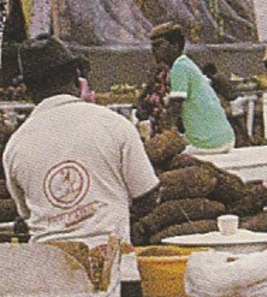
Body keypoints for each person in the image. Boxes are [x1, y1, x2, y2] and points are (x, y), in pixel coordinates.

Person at [3, 36, 160, 245]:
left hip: (47, 267)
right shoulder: (114, 124)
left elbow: (26, 213)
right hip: (112, 266)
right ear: (77, 79)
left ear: (28, 91)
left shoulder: (15, 146)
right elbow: (148, 195)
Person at [149, 22, 235, 153]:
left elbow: (174, 108)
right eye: (152, 47)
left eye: (159, 45)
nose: (154, 51)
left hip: (208, 143)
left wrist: (162, 136)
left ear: (175, 46)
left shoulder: (180, 67)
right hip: (222, 138)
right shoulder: (186, 64)